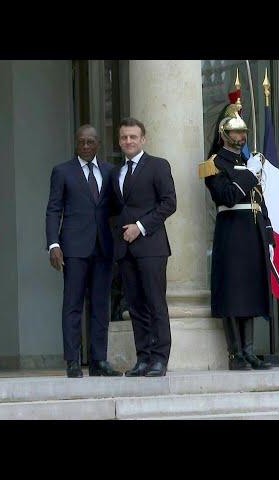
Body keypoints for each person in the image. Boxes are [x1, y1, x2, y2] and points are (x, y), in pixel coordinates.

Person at [200, 101, 273, 370]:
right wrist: (248, 176)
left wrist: (268, 233)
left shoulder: (248, 161)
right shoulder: (214, 164)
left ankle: (250, 350)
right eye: (236, 132)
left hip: (252, 232)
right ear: (224, 135)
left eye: (243, 132)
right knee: (233, 292)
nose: (241, 136)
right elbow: (227, 196)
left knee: (251, 290)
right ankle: (236, 354)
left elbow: (259, 201)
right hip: (231, 232)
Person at [46, 125, 122, 378]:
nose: (86, 146)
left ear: (98, 143)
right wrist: (53, 244)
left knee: (101, 305)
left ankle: (99, 360)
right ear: (75, 143)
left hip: (103, 247)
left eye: (91, 142)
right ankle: (73, 361)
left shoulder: (111, 172)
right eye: (82, 142)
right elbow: (53, 209)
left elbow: (117, 208)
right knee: (73, 304)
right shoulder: (62, 171)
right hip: (74, 248)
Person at [112, 117, 176, 377]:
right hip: (125, 250)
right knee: (135, 306)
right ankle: (143, 358)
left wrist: (140, 226)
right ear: (119, 141)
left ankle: (160, 358)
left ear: (143, 139)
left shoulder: (158, 166)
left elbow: (169, 203)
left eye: (133, 137)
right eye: (124, 137)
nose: (128, 141)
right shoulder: (116, 172)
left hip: (151, 247)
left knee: (155, 304)